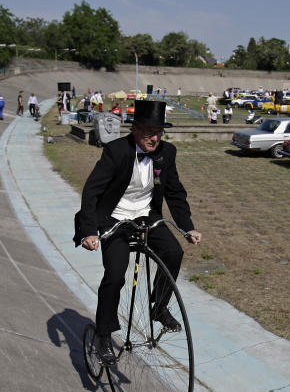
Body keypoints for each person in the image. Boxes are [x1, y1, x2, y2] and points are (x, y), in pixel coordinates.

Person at [74, 100, 202, 365]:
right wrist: (89, 231)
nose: (153, 138)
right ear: (134, 130)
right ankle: (104, 335)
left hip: (145, 214)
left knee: (173, 251)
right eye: (147, 132)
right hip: (115, 218)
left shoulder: (167, 153)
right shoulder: (115, 151)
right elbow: (92, 192)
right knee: (115, 276)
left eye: (158, 132)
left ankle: (159, 306)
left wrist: (187, 226)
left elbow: (175, 192)